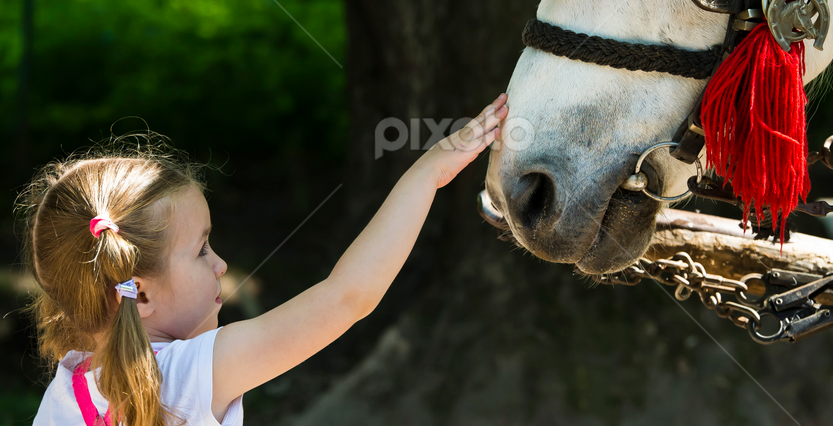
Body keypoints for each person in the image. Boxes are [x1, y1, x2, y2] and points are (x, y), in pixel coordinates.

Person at [22, 93, 508, 426]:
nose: (220, 265)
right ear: (139, 291)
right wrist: (428, 174)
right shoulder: (186, 375)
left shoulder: (67, 391)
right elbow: (347, 297)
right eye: (202, 250)